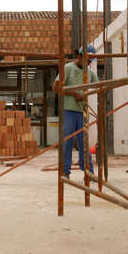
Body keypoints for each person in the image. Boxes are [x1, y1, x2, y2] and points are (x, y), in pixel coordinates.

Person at [52, 44, 98, 179]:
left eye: (90, 61)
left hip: (82, 112)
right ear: (79, 56)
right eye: (87, 60)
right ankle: (65, 172)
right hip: (68, 111)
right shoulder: (68, 69)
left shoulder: (89, 73)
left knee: (84, 143)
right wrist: (74, 94)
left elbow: (97, 86)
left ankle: (88, 173)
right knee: (67, 142)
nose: (89, 63)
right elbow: (55, 87)